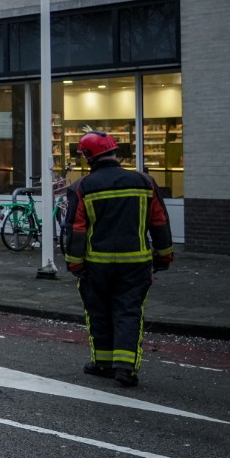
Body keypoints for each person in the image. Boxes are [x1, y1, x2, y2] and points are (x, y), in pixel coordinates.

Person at [60, 131, 174, 388]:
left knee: (98, 312)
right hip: (135, 264)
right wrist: (164, 255)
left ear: (88, 156)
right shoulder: (144, 182)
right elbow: (159, 221)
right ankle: (125, 367)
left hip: (96, 265)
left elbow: (76, 229)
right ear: (115, 152)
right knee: (129, 311)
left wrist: (75, 263)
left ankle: (103, 363)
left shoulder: (81, 187)